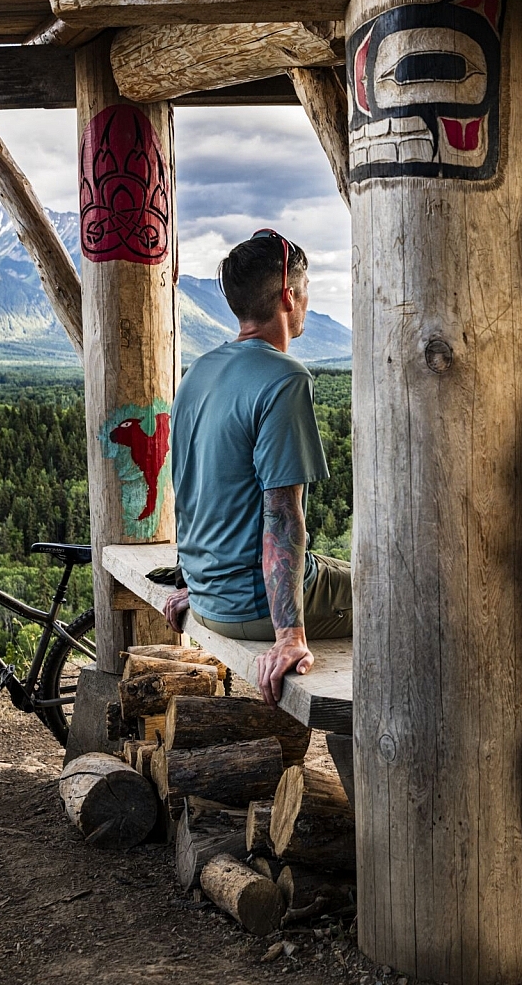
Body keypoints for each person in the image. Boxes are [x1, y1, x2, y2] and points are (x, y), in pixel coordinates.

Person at [162, 230, 351, 707]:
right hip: (253, 606)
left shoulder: (196, 374)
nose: (308, 299)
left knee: (346, 569)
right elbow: (283, 517)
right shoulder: (285, 379)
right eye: (306, 290)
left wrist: (200, 588)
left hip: (209, 595)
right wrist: (289, 634)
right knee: (406, 591)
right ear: (289, 296)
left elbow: (192, 488)